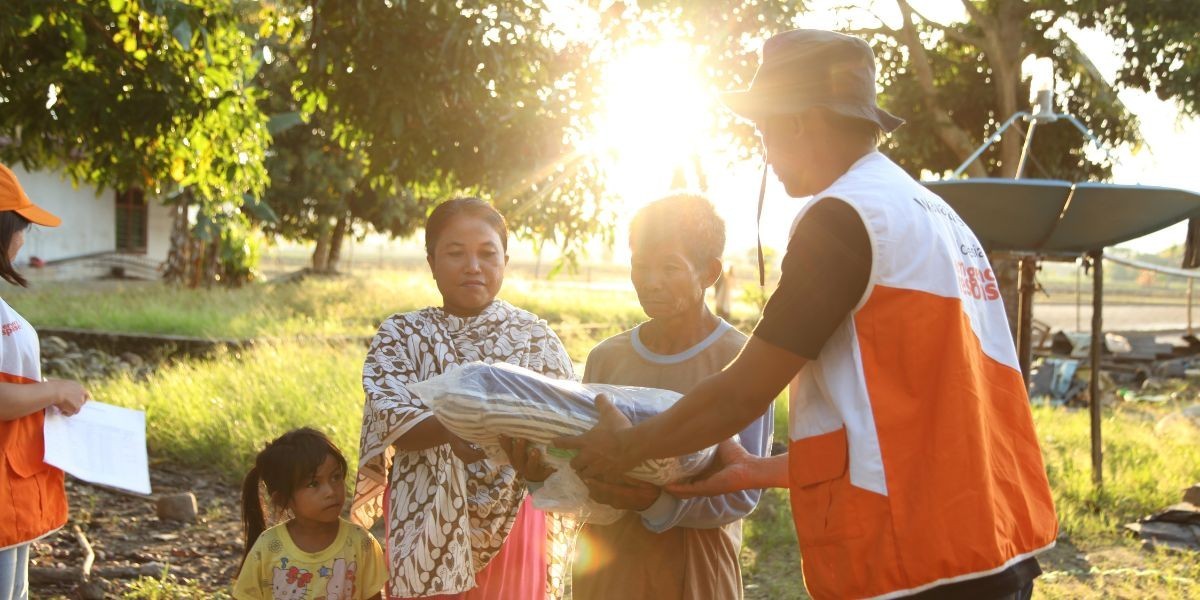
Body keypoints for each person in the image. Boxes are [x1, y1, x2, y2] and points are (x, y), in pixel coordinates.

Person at [558, 29, 1058, 600]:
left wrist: (627, 447)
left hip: (914, 558)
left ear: (797, 120)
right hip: (989, 542)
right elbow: (899, 418)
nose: (766, 151)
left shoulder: (844, 217)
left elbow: (739, 395)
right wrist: (758, 469)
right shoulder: (934, 214)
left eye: (765, 129)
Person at [504, 194, 773, 599]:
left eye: (670, 267)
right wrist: (542, 473)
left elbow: (742, 492)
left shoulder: (739, 360)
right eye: (640, 266)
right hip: (609, 562)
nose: (650, 281)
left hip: (694, 562)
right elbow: (584, 463)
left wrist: (655, 501)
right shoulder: (607, 358)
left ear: (710, 272)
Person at [352, 198, 576, 599]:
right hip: (424, 516)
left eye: (487, 254)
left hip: (515, 516)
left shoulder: (534, 338)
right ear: (432, 261)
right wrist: (457, 426)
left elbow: (564, 425)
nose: (473, 266)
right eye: (456, 254)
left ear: (505, 260)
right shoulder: (402, 335)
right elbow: (391, 419)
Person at [0, 163, 91, 600]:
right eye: (21, 228)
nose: (22, 239)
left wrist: (47, 392)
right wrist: (54, 391)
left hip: (11, 483)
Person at [234, 427, 386, 600]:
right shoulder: (268, 547)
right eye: (314, 484)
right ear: (283, 499)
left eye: (336, 477)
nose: (330, 491)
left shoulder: (361, 543)